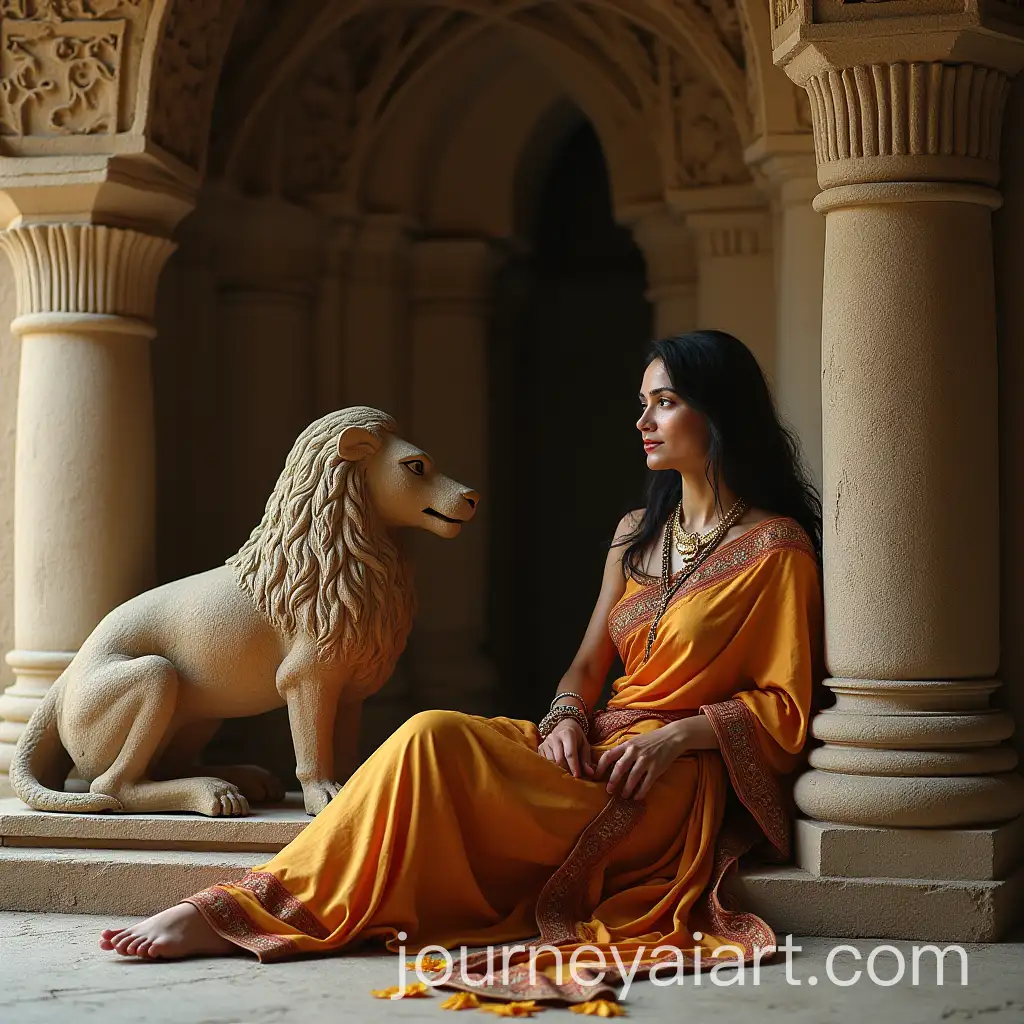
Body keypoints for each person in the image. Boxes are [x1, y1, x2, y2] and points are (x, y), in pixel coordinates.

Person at [99, 330, 823, 1005]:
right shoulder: (636, 534)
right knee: (429, 735)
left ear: (720, 413)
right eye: (643, 403)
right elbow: (585, 664)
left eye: (665, 402)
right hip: (596, 743)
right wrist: (567, 716)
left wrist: (675, 739)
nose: (644, 420)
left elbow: (785, 709)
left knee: (436, 752)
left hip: (663, 779)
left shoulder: (775, 548)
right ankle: (253, 903)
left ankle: (232, 915)